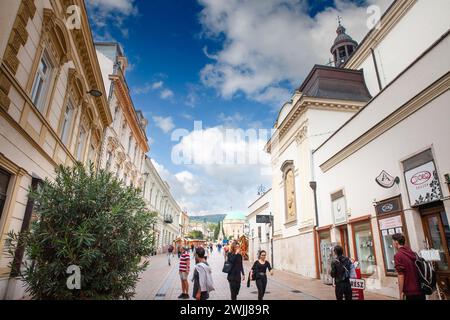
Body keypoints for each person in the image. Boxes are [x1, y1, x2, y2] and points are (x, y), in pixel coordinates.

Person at [392, 233, 425, 300]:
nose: (392, 243)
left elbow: (401, 275)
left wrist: (400, 292)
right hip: (420, 289)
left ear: (396, 242)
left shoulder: (398, 255)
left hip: (409, 291)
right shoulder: (413, 253)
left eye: (392, 241)